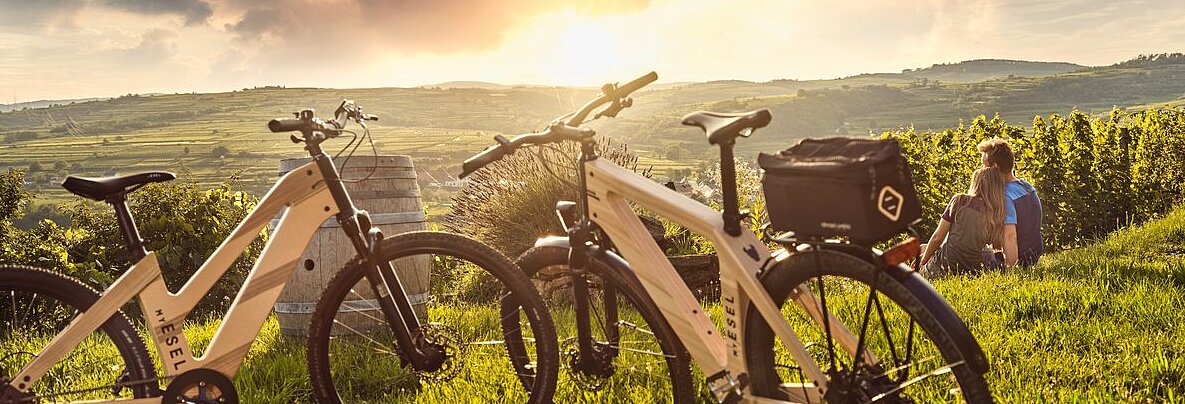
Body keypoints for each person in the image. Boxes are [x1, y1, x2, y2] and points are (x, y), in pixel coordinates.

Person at [919, 167, 1007, 276]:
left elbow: (937, 238)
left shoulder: (960, 201)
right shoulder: (995, 212)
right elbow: (996, 246)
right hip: (971, 270)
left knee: (921, 250)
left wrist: (923, 262)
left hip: (944, 266)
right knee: (923, 247)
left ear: (976, 183)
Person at [978, 138, 1043, 266]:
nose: (981, 169)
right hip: (1034, 253)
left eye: (983, 165)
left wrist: (1011, 270)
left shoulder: (1005, 195)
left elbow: (1010, 236)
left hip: (1020, 258)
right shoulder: (1026, 186)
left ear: (995, 167)